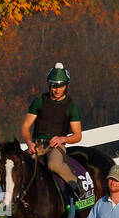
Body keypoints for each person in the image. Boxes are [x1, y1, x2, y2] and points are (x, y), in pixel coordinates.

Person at [20, 63, 91, 203]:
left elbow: (78, 135)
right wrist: (29, 143)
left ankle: (76, 186)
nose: (57, 90)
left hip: (56, 147)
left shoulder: (71, 107)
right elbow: (25, 126)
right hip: (37, 145)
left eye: (60, 86)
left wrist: (62, 139)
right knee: (20, 168)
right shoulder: (39, 101)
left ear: (66, 86)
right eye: (53, 86)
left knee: (54, 165)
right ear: (49, 85)